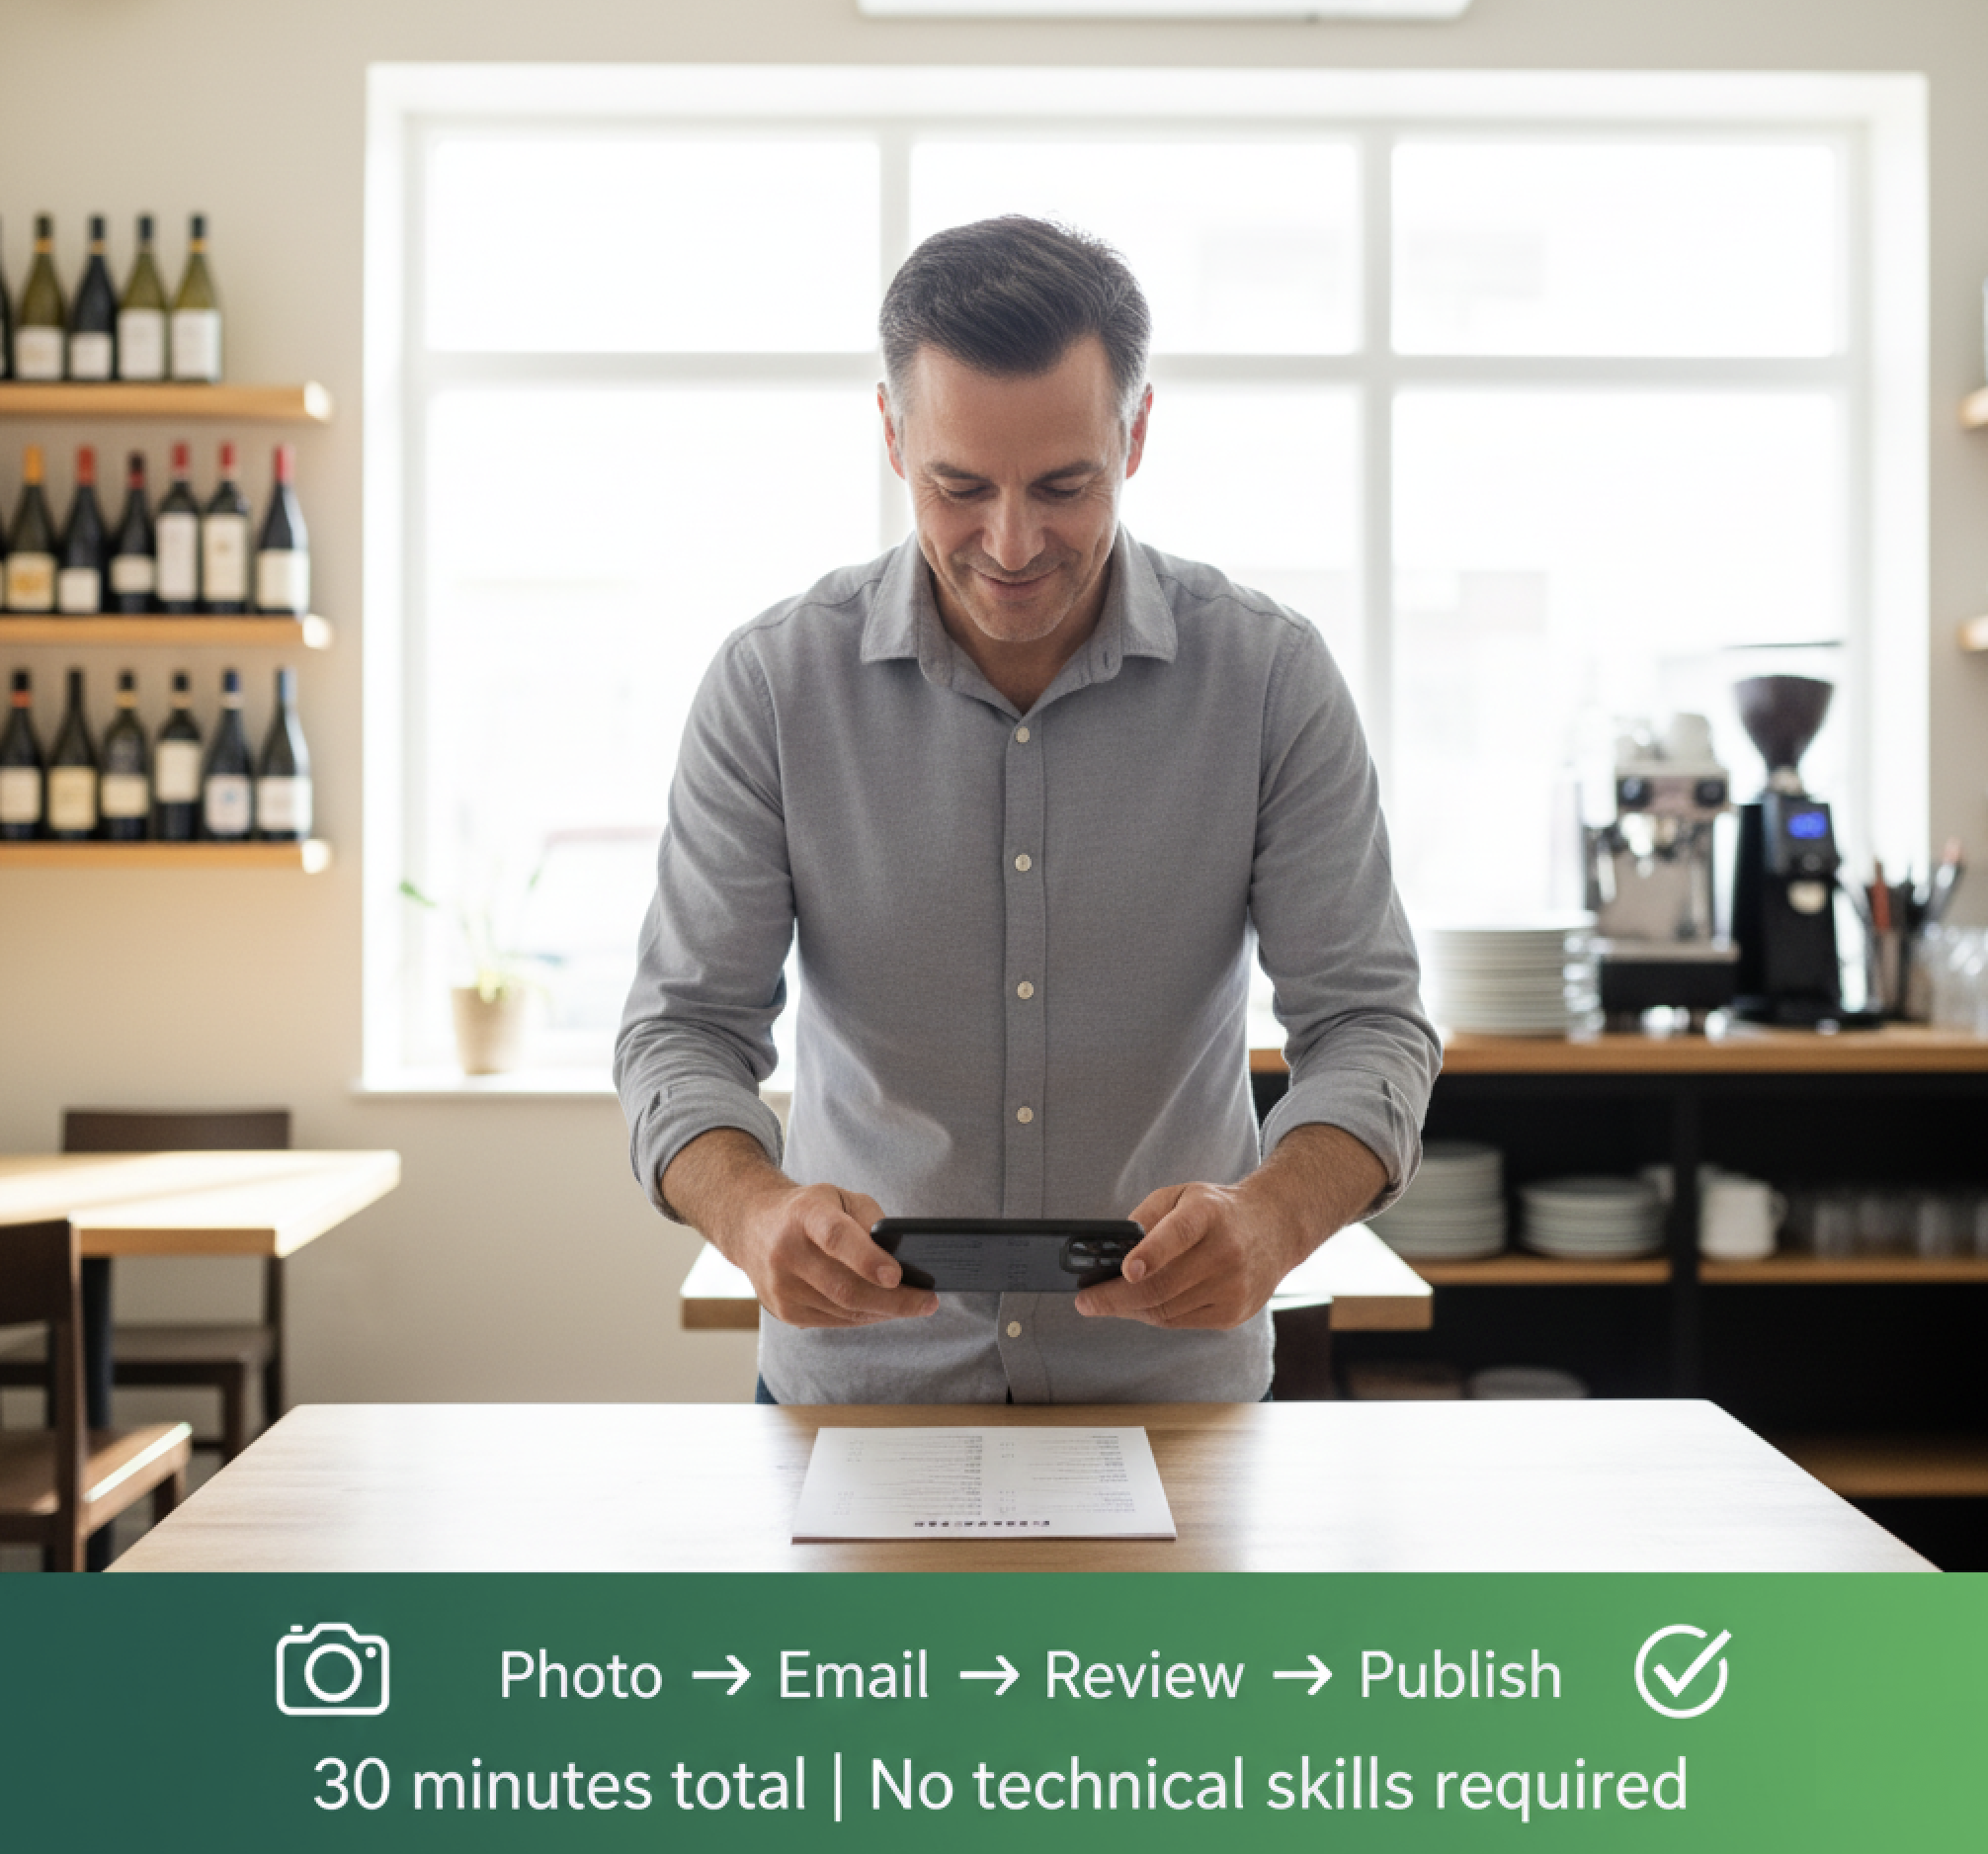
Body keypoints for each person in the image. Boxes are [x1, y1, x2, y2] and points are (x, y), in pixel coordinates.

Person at [616, 215, 1439, 1404]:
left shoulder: (1267, 680)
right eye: (958, 487)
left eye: (1063, 485)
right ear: (891, 436)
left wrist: (1270, 1218)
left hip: (1170, 1394)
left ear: (1135, 434)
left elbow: (1368, 1024)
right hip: (859, 1399)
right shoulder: (773, 687)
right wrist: (751, 1212)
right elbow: (681, 1031)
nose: (1009, 543)